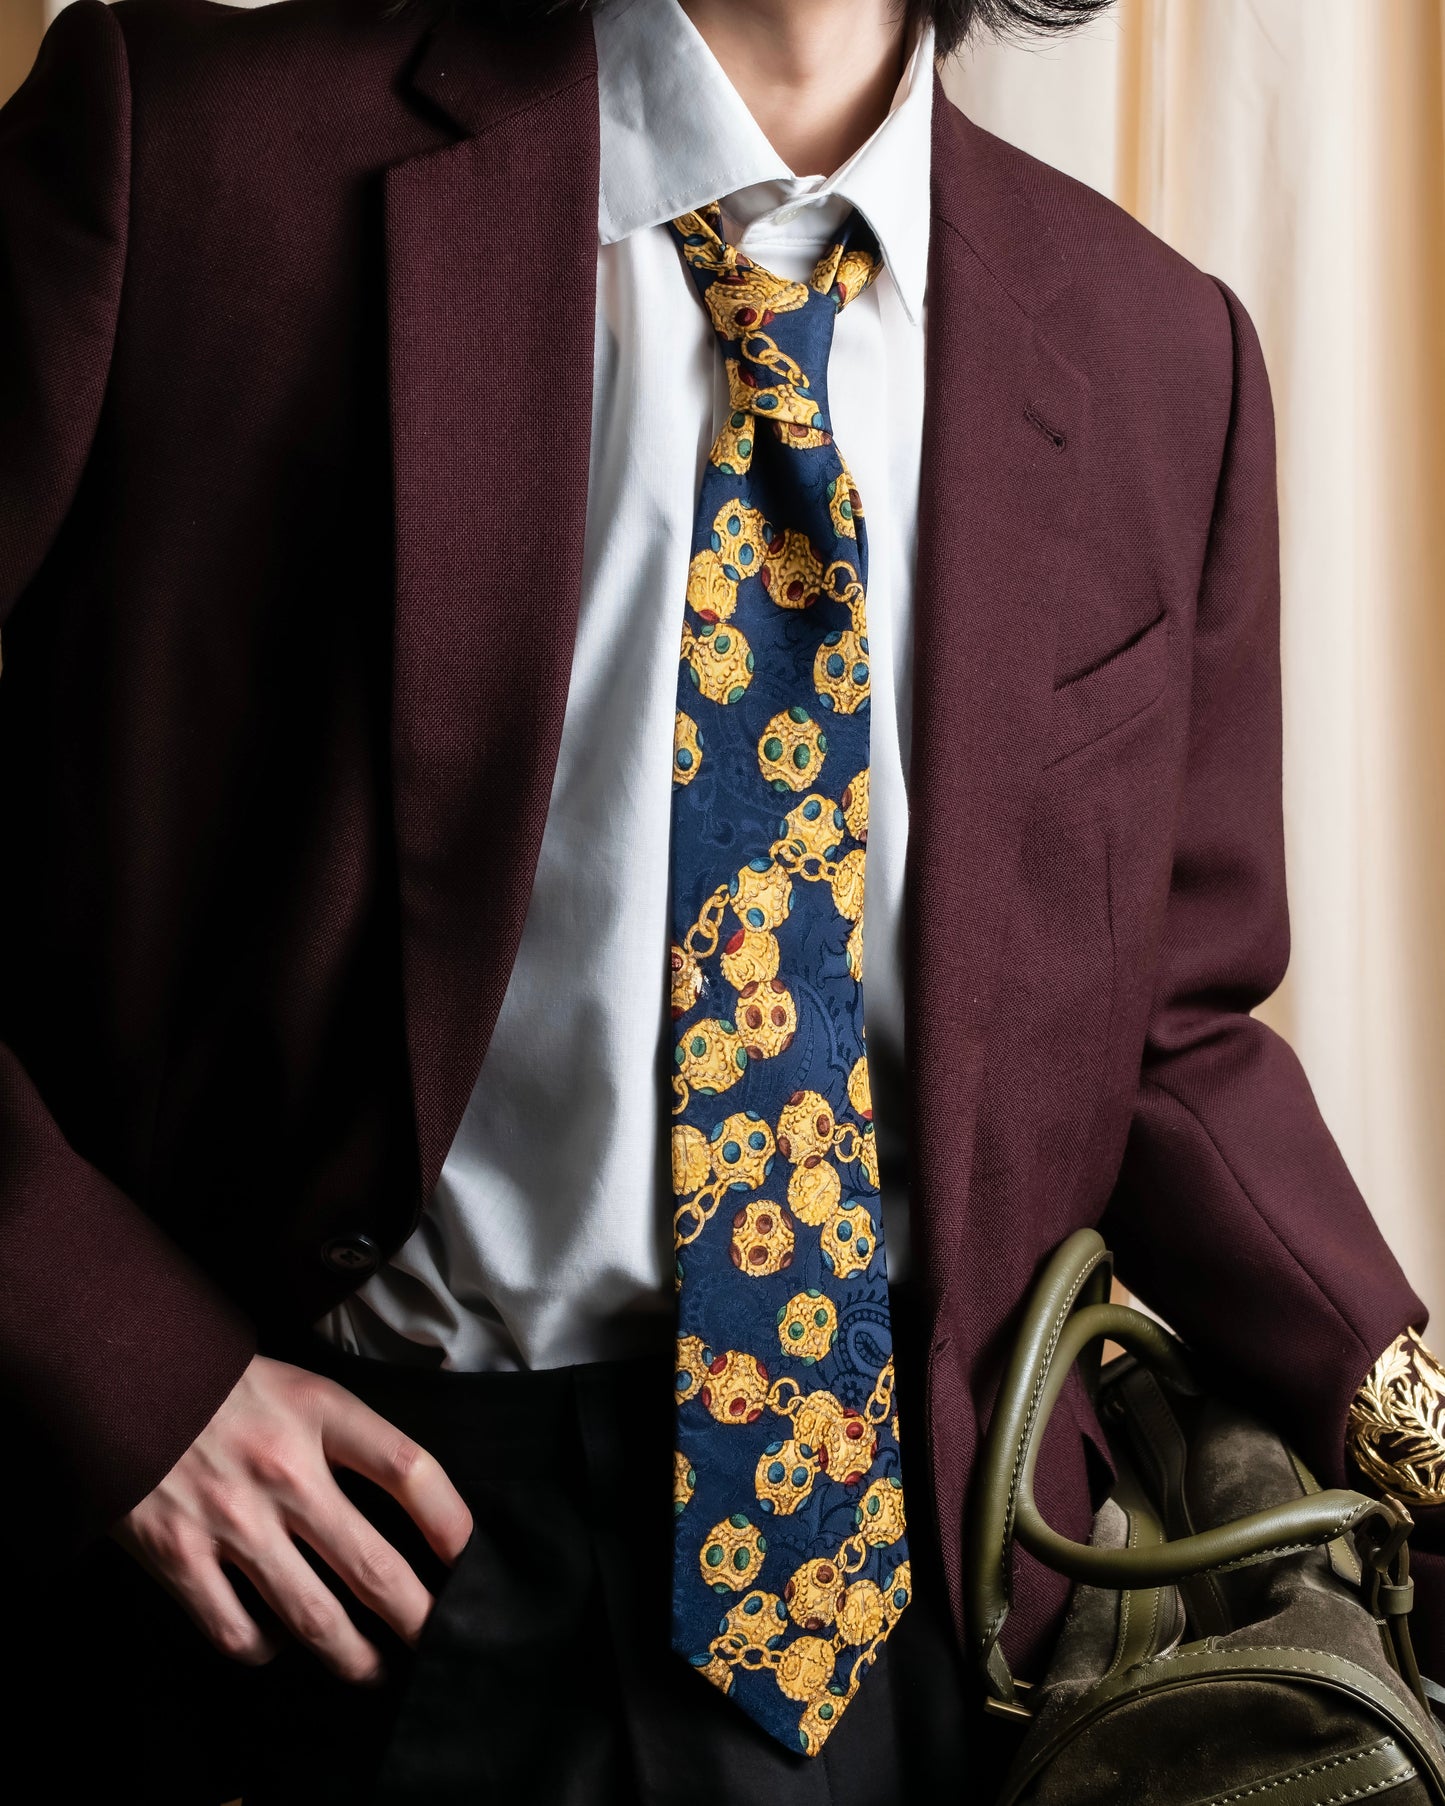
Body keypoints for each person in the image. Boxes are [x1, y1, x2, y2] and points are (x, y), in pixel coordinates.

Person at [2, 0, 1442, 1799]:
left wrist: (1416, 1441)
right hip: (334, 1565)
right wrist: (116, 1375)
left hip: (917, 1608)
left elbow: (1166, 1031)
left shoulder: (1160, 355)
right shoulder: (190, 154)